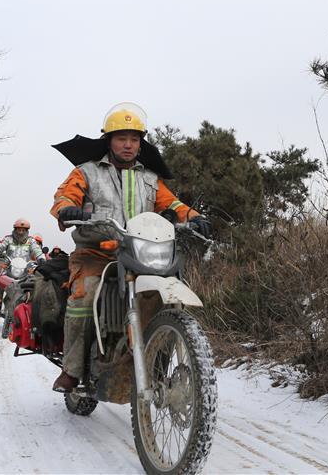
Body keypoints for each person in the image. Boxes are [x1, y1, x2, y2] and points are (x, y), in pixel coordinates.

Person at [49, 102, 212, 393]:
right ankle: (72, 370)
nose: (128, 145)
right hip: (97, 253)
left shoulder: (150, 178)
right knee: (84, 295)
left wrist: (195, 217)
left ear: (141, 143)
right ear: (108, 141)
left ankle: (158, 361)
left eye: (134, 139)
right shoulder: (86, 172)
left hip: (141, 252)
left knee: (167, 297)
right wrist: (67, 209)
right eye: (121, 138)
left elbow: (172, 204)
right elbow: (64, 197)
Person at [0, 219, 46, 315]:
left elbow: (37, 250)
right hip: (9, 267)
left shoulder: (31, 241)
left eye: (23, 230)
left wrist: (41, 258)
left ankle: (29, 305)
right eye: (19, 229)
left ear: (26, 231)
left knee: (33, 284)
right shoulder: (8, 239)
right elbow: (1, 246)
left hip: (25, 269)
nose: (21, 232)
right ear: (15, 229)